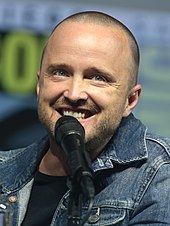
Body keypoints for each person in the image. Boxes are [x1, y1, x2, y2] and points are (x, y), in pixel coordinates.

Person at [0, 11, 170, 226]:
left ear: (130, 100)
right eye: (61, 72)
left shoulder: (160, 175)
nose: (73, 93)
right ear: (39, 85)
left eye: (98, 78)